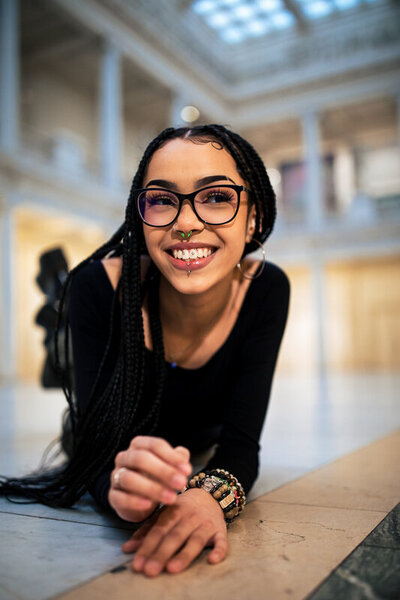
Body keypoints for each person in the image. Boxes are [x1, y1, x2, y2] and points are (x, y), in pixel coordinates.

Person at [0, 123, 290, 577]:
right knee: (67, 332)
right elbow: (92, 451)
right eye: (161, 199)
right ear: (140, 216)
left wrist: (209, 495)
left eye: (216, 197)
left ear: (253, 216)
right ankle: (59, 309)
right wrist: (117, 489)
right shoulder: (98, 286)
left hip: (194, 442)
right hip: (115, 417)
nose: (187, 223)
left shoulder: (265, 289)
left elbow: (240, 446)